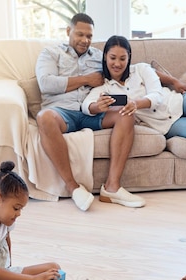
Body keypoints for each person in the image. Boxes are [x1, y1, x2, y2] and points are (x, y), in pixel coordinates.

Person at [35, 13, 145, 210]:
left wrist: (171, 81)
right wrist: (86, 79)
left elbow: (130, 68)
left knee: (126, 114)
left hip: (91, 112)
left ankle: (112, 188)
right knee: (44, 118)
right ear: (68, 31)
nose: (85, 40)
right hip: (62, 112)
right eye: (80, 34)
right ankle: (73, 187)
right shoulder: (50, 53)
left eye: (89, 36)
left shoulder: (98, 56)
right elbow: (46, 84)